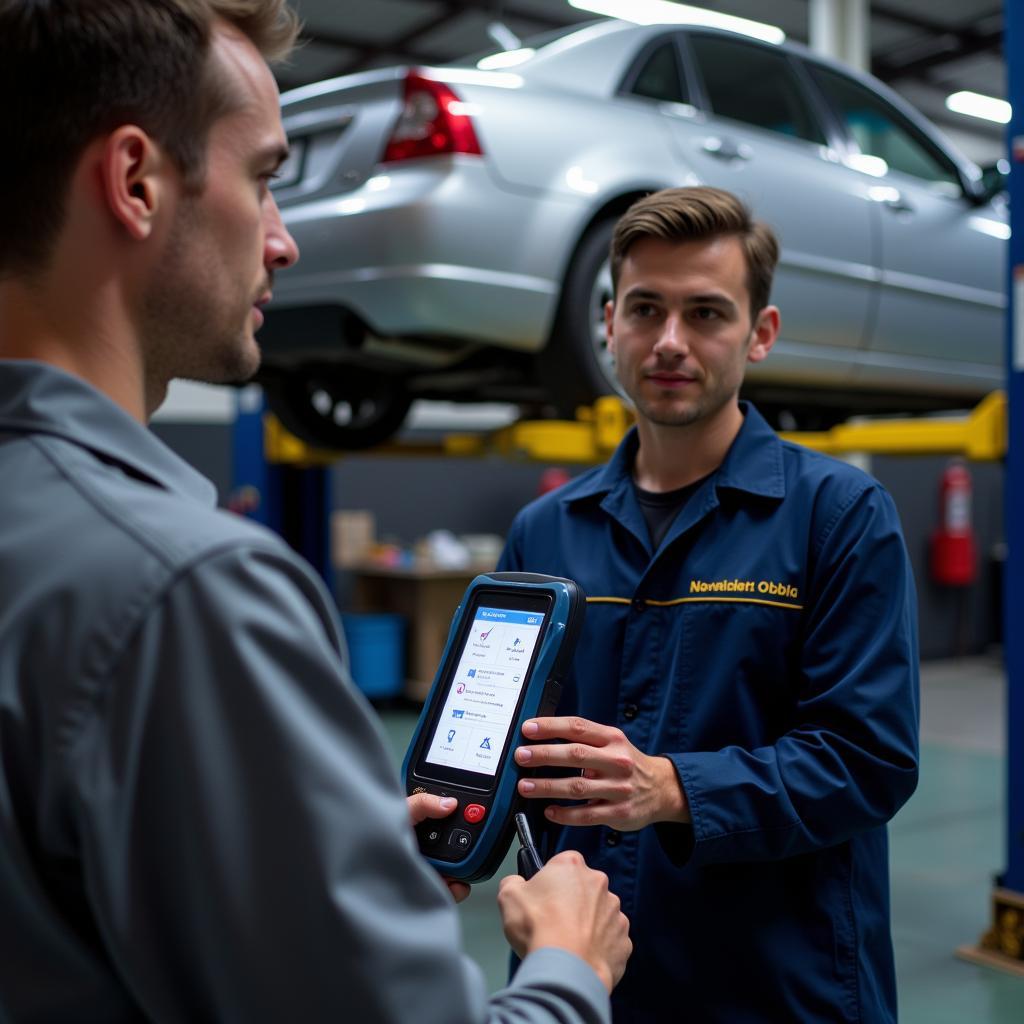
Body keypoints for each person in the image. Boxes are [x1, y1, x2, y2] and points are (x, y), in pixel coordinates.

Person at [0, 2, 630, 1021]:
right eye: (265, 180)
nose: (285, 243)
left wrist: (303, 878)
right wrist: (568, 965)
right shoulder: (186, 594)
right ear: (135, 182)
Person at [498, 186, 920, 1023]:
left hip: (778, 987)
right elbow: (505, 746)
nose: (670, 342)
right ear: (609, 322)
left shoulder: (837, 517)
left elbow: (868, 758)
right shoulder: (545, 532)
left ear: (759, 333)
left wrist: (670, 786)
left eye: (706, 314)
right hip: (593, 986)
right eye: (647, 309)